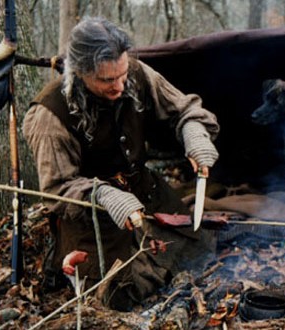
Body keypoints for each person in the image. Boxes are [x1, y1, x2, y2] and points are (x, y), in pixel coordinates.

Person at [23, 17, 220, 311]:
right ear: (79, 72)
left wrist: (194, 131)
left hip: (144, 190)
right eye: (106, 80)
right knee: (118, 292)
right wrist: (101, 194)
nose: (119, 86)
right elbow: (57, 189)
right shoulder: (49, 116)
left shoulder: (135, 73)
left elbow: (183, 108)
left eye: (122, 75)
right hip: (93, 215)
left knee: (200, 248)